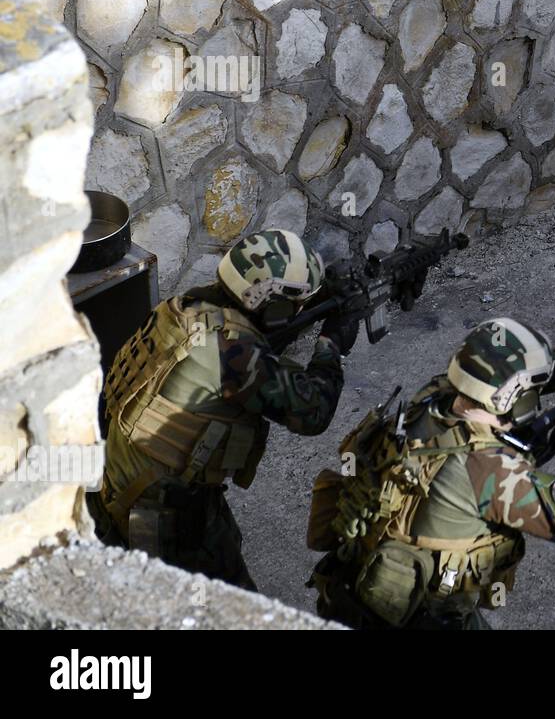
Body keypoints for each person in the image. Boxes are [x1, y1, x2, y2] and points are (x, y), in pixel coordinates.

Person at [87, 229, 358, 589]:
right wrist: (330, 346)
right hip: (160, 510)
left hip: (119, 476)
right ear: (270, 304)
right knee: (229, 603)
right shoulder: (233, 354)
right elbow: (312, 412)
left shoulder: (184, 308)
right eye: (293, 306)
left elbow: (255, 340)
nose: (296, 313)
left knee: (219, 545)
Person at [309, 318, 555, 630]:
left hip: (351, 589)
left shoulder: (432, 398)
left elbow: (505, 377)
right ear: (515, 398)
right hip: (422, 617)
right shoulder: (487, 468)